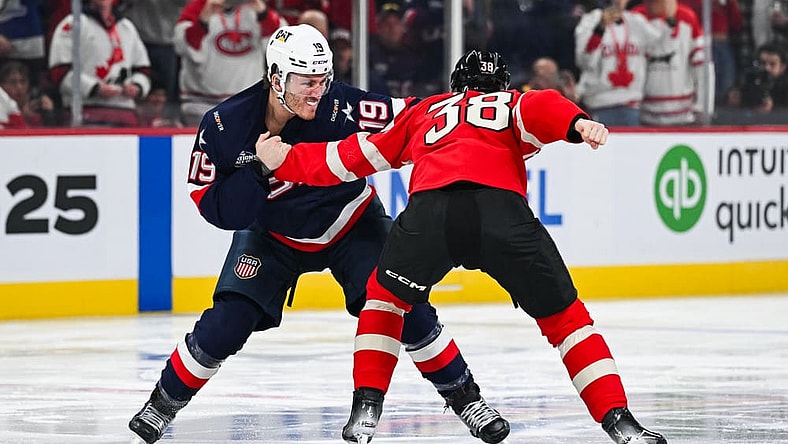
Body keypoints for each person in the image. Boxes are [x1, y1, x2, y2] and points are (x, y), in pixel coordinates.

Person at [260, 49, 668, 444]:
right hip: (501, 214)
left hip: (430, 213)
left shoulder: (426, 110)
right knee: (568, 322)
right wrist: (579, 123)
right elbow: (541, 106)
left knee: (384, 303)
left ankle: (366, 407)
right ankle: (619, 420)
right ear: (501, 86)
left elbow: (349, 158)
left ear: (456, 87)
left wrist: (285, 159)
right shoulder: (510, 103)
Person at [128, 24, 508, 444]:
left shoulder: (343, 104)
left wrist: (471, 101)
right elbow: (215, 209)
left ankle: (468, 399)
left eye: (323, 79)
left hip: (352, 223)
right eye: (306, 81)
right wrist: (258, 170)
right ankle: (162, 403)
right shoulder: (223, 125)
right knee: (226, 324)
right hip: (271, 235)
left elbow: (414, 115)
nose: (318, 90)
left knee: (407, 308)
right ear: (276, 78)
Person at [172, 0, 284, 126]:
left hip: (248, 104)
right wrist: (202, 22)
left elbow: (282, 46)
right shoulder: (197, 8)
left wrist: (263, 14)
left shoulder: (257, 8)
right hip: (201, 104)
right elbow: (182, 47)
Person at [48, 0, 152, 127]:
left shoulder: (127, 27)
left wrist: (137, 86)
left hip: (125, 114)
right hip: (84, 112)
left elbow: (143, 70)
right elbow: (59, 72)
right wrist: (94, 88)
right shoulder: (72, 24)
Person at [575, 0, 662, 126]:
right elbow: (584, 61)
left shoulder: (637, 22)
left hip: (631, 104)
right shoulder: (590, 21)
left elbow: (660, 46)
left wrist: (664, 15)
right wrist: (600, 29)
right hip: (600, 103)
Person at [631, 0, 711, 126]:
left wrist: (702, 107)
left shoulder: (687, 17)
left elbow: (703, 67)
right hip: (644, 115)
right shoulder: (635, 17)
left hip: (683, 116)